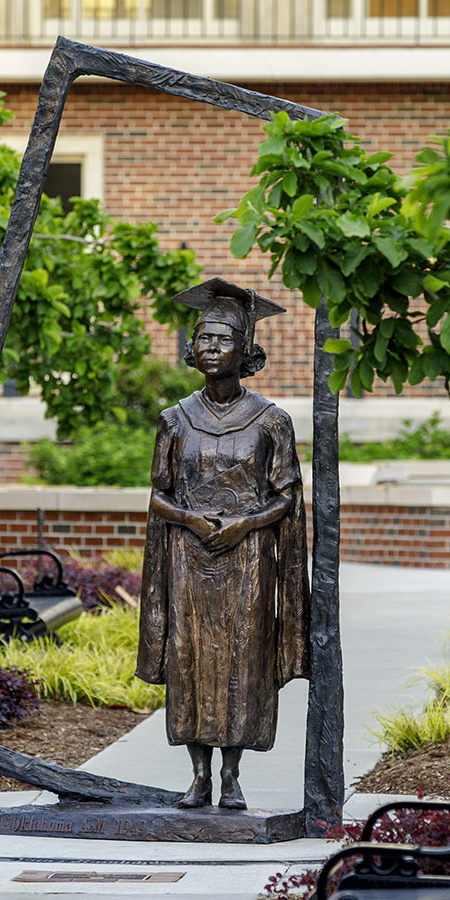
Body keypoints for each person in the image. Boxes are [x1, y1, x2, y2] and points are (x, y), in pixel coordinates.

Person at [137, 278, 308, 810]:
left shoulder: (271, 421)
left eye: (222, 340)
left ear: (247, 351)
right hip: (189, 559)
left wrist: (245, 524)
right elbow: (157, 497)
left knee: (241, 662)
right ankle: (198, 775)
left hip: (247, 559)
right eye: (202, 339)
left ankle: (232, 776)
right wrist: (190, 518)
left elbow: (288, 495)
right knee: (191, 661)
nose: (210, 348)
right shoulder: (175, 419)